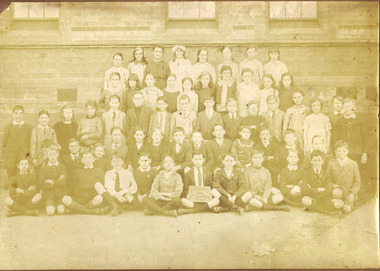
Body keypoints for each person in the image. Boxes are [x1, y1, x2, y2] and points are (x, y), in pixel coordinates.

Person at [61, 150, 119, 215]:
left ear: (93, 159)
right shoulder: (78, 172)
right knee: (64, 198)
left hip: (93, 198)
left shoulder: (99, 170)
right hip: (80, 198)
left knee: (99, 197)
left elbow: (103, 187)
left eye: (90, 158)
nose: (87, 160)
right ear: (82, 160)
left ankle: (76, 209)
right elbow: (75, 187)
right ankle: (92, 211)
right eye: (85, 158)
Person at [326, 140, 361, 214]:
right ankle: (337, 206)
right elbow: (327, 179)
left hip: (348, 192)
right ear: (335, 151)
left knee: (346, 209)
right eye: (339, 151)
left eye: (344, 151)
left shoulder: (353, 164)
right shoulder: (331, 163)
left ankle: (344, 205)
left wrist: (352, 193)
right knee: (336, 192)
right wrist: (333, 185)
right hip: (337, 191)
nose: (341, 153)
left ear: (347, 151)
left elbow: (357, 182)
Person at [1, 105, 32, 180]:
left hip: (23, 155)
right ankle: (13, 190)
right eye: (16, 113)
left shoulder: (28, 127)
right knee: (11, 176)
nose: (18, 115)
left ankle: (22, 190)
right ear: (12, 115)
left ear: (23, 115)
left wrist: (28, 156)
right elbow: (4, 143)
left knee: (23, 174)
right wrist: (3, 157)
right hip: (10, 156)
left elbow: (30, 142)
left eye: (21, 113)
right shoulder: (8, 127)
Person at [335, 98, 368, 164]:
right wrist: (337, 154)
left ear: (354, 107)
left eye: (349, 106)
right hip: (343, 154)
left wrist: (364, 154)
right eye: (345, 106)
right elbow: (336, 138)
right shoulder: (339, 121)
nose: (347, 108)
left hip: (357, 153)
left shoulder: (360, 120)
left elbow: (365, 138)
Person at [39, 145, 67, 216]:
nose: (52, 156)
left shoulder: (62, 167)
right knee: (50, 212)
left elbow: (63, 182)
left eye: (54, 154)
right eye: (50, 154)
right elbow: (41, 183)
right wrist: (57, 181)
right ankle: (51, 205)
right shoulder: (44, 168)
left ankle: (59, 204)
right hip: (49, 195)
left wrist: (51, 181)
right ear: (47, 156)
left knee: (61, 211)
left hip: (60, 194)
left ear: (57, 155)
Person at [30, 110, 58, 176]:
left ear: (48, 119)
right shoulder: (35, 130)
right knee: (39, 173)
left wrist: (54, 155)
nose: (44, 120)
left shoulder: (51, 130)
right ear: (38, 119)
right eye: (42, 118)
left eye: (45, 118)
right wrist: (34, 158)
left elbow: (55, 143)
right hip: (39, 156)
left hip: (49, 157)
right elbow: (32, 145)